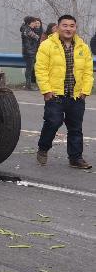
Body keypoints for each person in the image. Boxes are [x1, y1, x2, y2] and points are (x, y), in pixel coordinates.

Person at [34, 14, 93, 169]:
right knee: (53, 123)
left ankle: (76, 158)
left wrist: (85, 90)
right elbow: (40, 69)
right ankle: (43, 148)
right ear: (58, 27)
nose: (68, 29)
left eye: (72, 26)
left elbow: (88, 71)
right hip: (55, 95)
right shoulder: (47, 45)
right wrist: (46, 90)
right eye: (65, 25)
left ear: (75, 28)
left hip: (76, 96)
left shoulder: (83, 47)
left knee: (75, 128)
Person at [20, 16, 42, 90]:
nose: (35, 24)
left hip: (29, 51)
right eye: (33, 22)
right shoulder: (28, 31)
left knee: (30, 69)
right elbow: (37, 37)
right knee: (29, 69)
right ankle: (28, 86)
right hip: (30, 52)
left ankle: (28, 85)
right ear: (29, 23)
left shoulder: (26, 29)